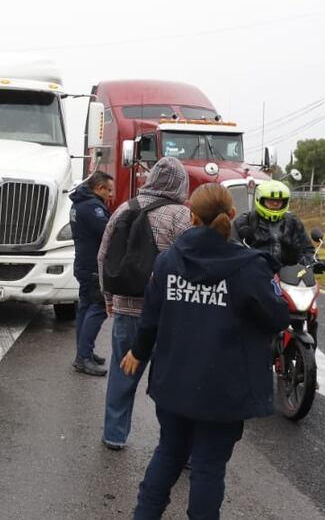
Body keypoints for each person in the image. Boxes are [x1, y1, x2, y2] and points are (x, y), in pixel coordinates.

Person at [121, 184, 290, 519]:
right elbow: (277, 316)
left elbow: (150, 319)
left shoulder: (168, 261)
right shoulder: (248, 268)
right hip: (224, 390)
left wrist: (137, 353)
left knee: (169, 453)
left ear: (192, 215)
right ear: (231, 215)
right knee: (208, 468)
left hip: (173, 383)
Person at [99, 156, 191, 450]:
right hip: (169, 314)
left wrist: (108, 298)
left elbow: (103, 257)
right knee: (173, 381)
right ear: (181, 184)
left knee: (122, 373)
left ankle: (114, 434)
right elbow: (191, 263)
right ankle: (174, 445)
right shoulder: (181, 216)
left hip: (127, 307)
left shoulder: (125, 209)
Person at [233, 180, 325, 272]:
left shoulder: (293, 222)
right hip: (256, 277)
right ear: (261, 200)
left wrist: (314, 263)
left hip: (289, 278)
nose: (275, 204)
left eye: (279, 201)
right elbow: (233, 250)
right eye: (270, 200)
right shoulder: (245, 221)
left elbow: (306, 250)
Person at [70, 171, 114, 376]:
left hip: (83, 264)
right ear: (99, 188)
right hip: (93, 267)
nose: (111, 195)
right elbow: (108, 232)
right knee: (98, 308)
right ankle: (84, 358)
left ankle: (84, 352)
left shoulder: (79, 203)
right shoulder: (92, 207)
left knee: (85, 307)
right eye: (109, 190)